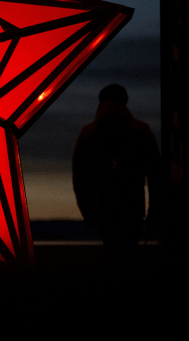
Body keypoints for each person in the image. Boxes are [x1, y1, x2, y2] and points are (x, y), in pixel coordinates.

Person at [72, 84, 163, 267]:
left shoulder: (87, 132)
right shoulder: (141, 129)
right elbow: (155, 172)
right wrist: (155, 206)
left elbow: (79, 176)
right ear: (125, 101)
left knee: (112, 253)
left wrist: (86, 209)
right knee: (129, 254)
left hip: (102, 206)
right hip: (132, 204)